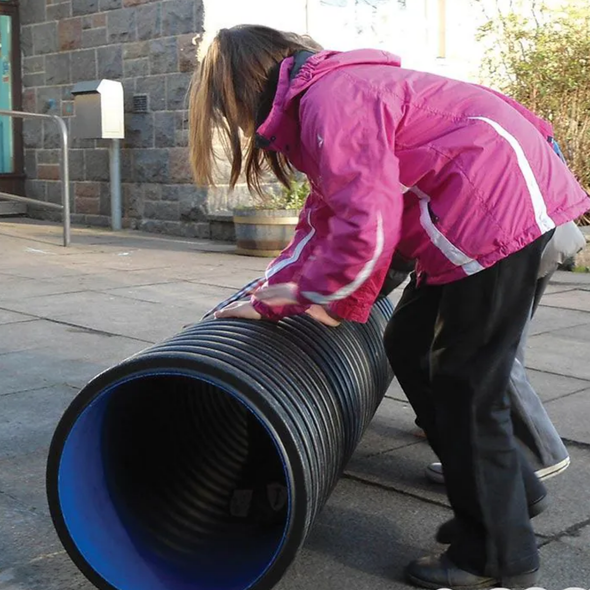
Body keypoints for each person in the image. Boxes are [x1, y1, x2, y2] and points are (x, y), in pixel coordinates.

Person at [189, 25, 590, 588]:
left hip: (494, 214)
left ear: (239, 86)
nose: (236, 125)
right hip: (483, 207)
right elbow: (324, 218)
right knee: (409, 344)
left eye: (226, 110)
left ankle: (496, 556)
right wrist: (270, 294)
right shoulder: (330, 94)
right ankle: (510, 494)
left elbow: (367, 226)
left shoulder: (332, 99)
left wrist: (304, 298)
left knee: (466, 386)